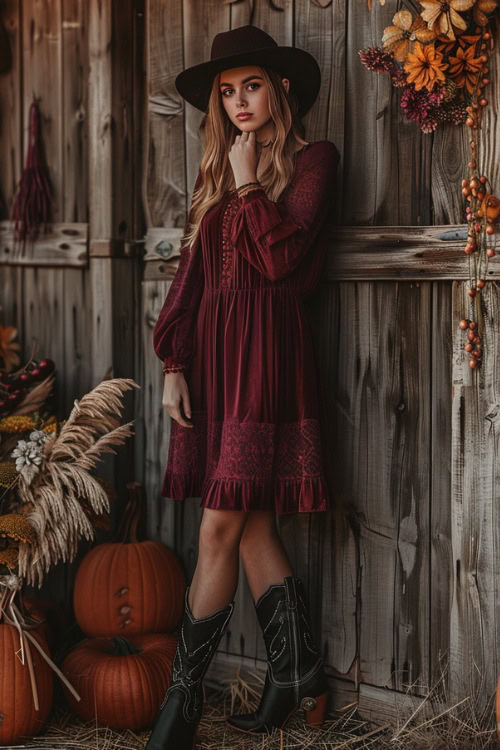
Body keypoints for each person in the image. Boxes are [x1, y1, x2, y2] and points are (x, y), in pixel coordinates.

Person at [145, 24, 340, 749]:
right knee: (252, 520)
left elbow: (284, 256)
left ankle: (180, 707)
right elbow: (192, 283)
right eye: (226, 94)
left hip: (270, 360)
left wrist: (251, 174)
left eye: (250, 86)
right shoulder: (214, 178)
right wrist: (173, 365)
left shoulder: (316, 160)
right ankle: (301, 674)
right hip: (219, 365)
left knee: (219, 522)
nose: (238, 103)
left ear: (282, 88)